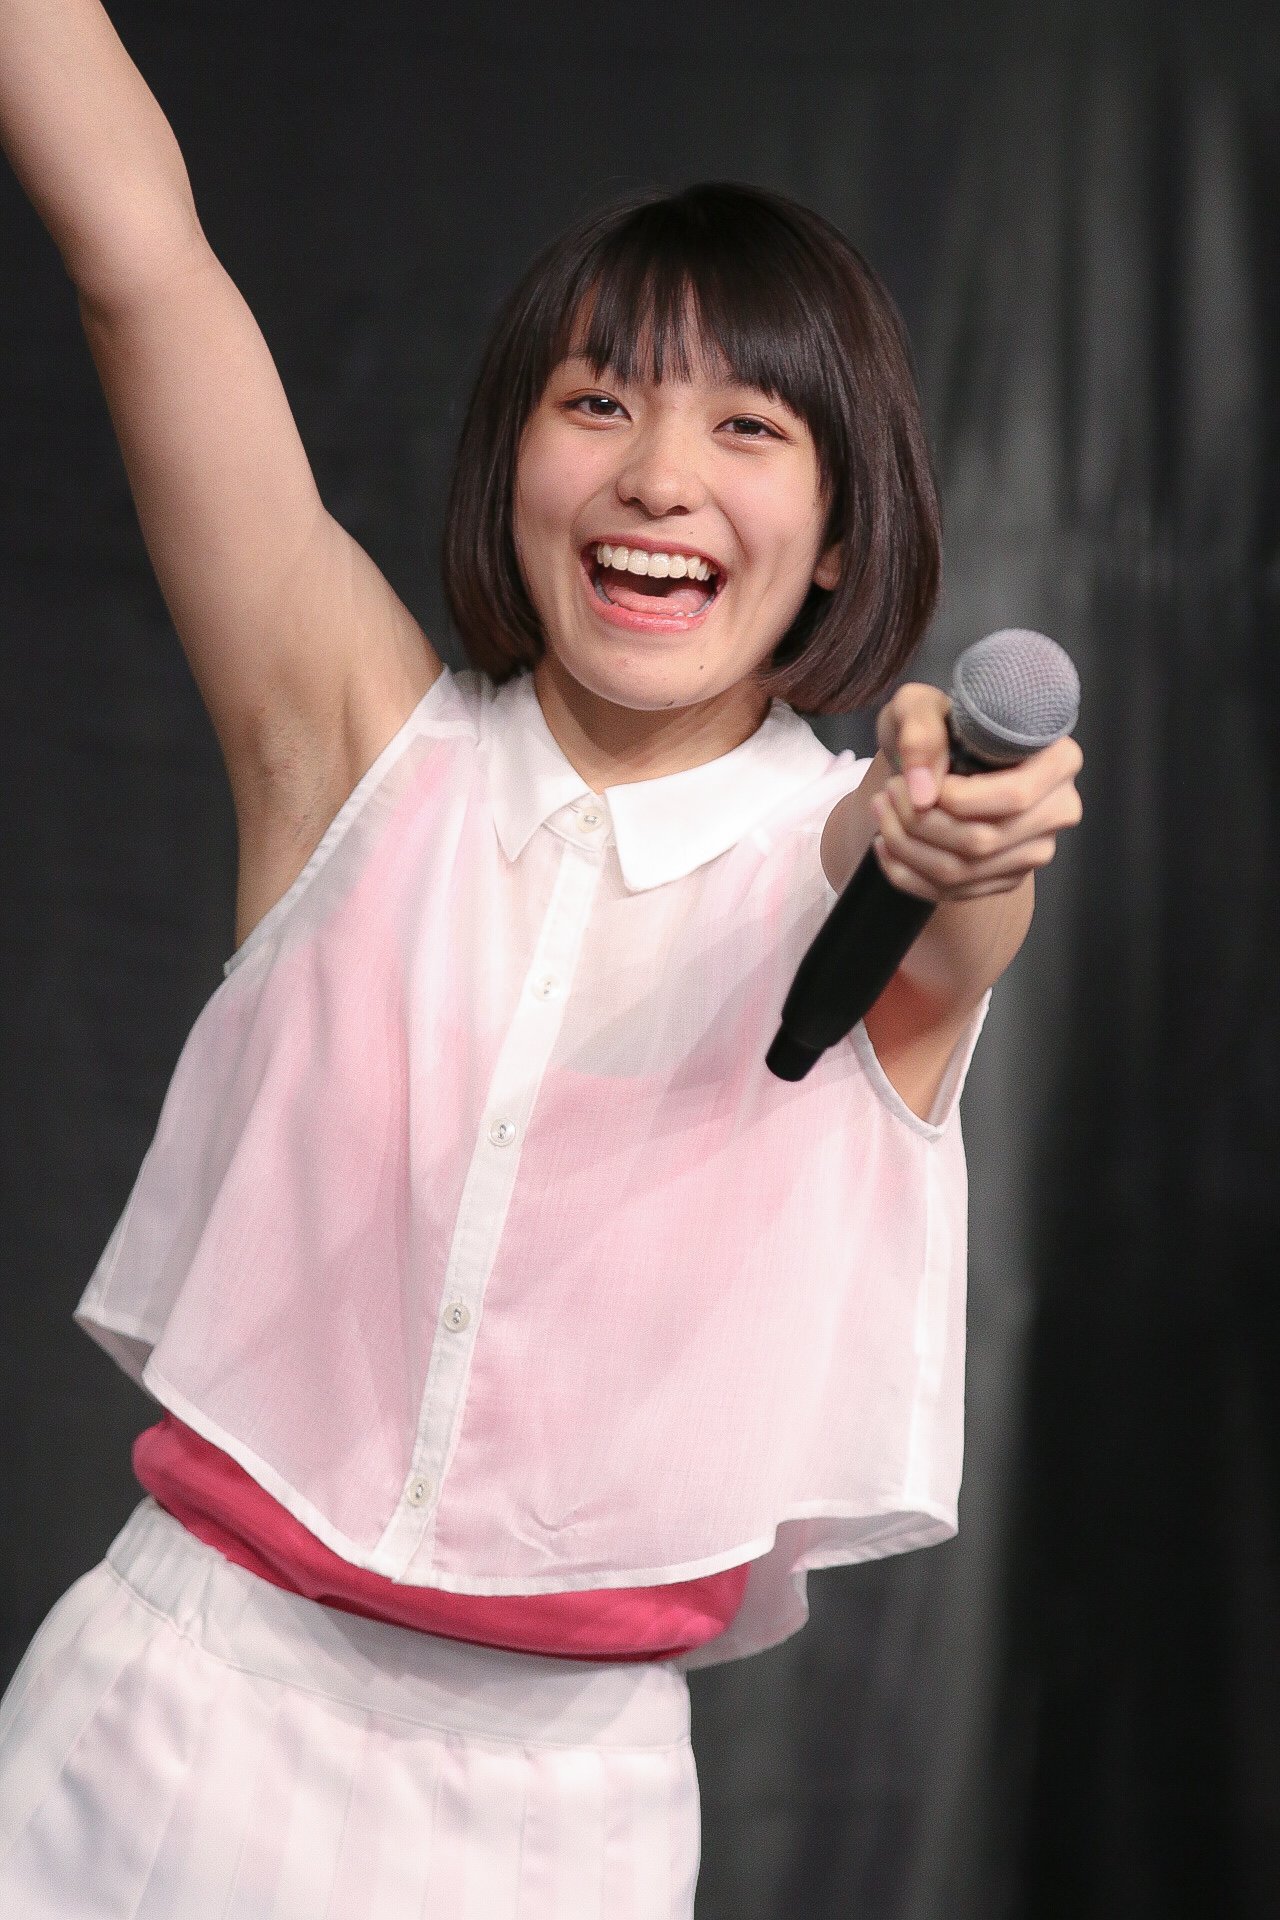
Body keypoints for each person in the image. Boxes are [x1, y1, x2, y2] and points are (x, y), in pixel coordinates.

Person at [0, 4, 1083, 1915]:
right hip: (171, 1720)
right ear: (512, 460)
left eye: (747, 427)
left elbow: (926, 889)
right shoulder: (352, 745)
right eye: (598, 403)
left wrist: (949, 829)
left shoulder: (852, 851)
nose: (660, 474)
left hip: (556, 1818)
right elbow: (140, 262)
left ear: (840, 535)